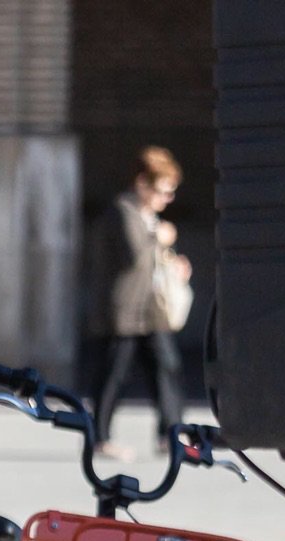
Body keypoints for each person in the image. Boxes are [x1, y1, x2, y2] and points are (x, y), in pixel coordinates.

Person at [83, 145, 191, 459]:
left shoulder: (148, 216)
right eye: (162, 191)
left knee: (166, 367)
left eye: (171, 193)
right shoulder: (123, 211)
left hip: (150, 312)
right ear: (142, 182)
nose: (166, 200)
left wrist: (175, 264)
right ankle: (99, 438)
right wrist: (160, 238)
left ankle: (170, 434)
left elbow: (151, 262)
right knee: (113, 375)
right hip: (124, 313)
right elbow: (134, 257)